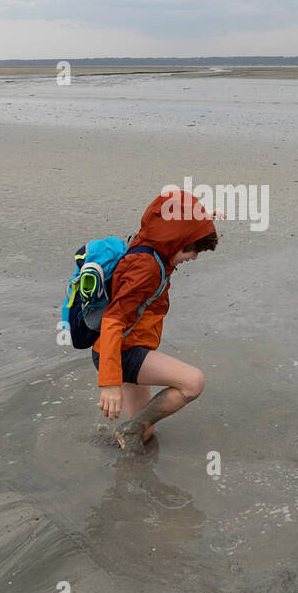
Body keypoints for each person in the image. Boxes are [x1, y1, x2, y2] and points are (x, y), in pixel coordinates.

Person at [94, 189, 219, 454]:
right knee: (192, 382)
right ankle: (129, 429)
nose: (194, 257)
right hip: (120, 351)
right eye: (193, 251)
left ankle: (133, 431)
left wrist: (201, 219)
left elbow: (166, 210)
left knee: (146, 432)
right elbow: (113, 321)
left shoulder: (150, 244)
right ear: (176, 242)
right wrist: (110, 383)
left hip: (126, 345)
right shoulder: (147, 269)